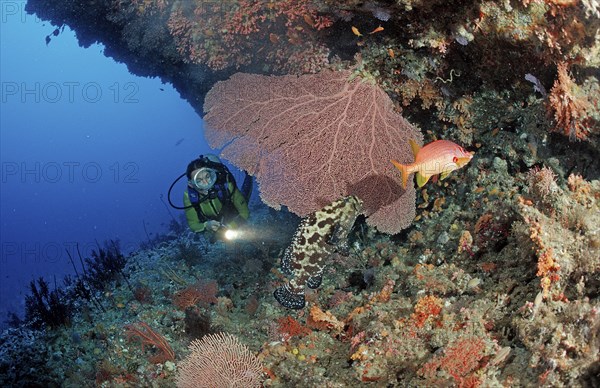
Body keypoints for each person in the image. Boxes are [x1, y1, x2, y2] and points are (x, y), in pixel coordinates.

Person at [183, 154, 251, 238]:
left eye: (207, 177)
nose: (206, 183)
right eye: (199, 180)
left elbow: (244, 212)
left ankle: (249, 173)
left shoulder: (225, 185)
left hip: (233, 210)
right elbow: (193, 224)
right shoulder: (189, 197)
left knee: (245, 192)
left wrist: (229, 227)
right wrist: (206, 225)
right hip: (217, 221)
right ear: (191, 184)